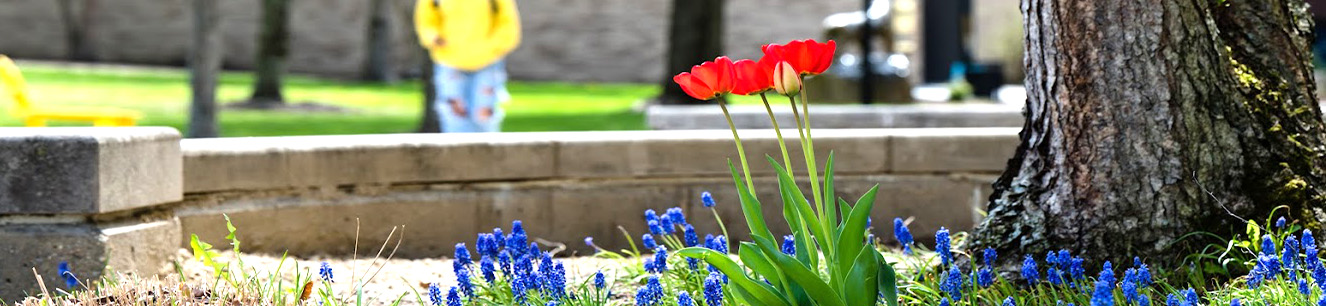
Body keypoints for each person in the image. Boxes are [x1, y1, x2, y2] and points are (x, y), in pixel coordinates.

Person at [415, 0, 521, 132]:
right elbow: (426, 20)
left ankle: (486, 151)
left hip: (487, 61)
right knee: (454, 118)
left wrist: (494, 46)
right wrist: (434, 38)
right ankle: (458, 152)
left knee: (484, 116)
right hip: (450, 60)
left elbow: (507, 22)